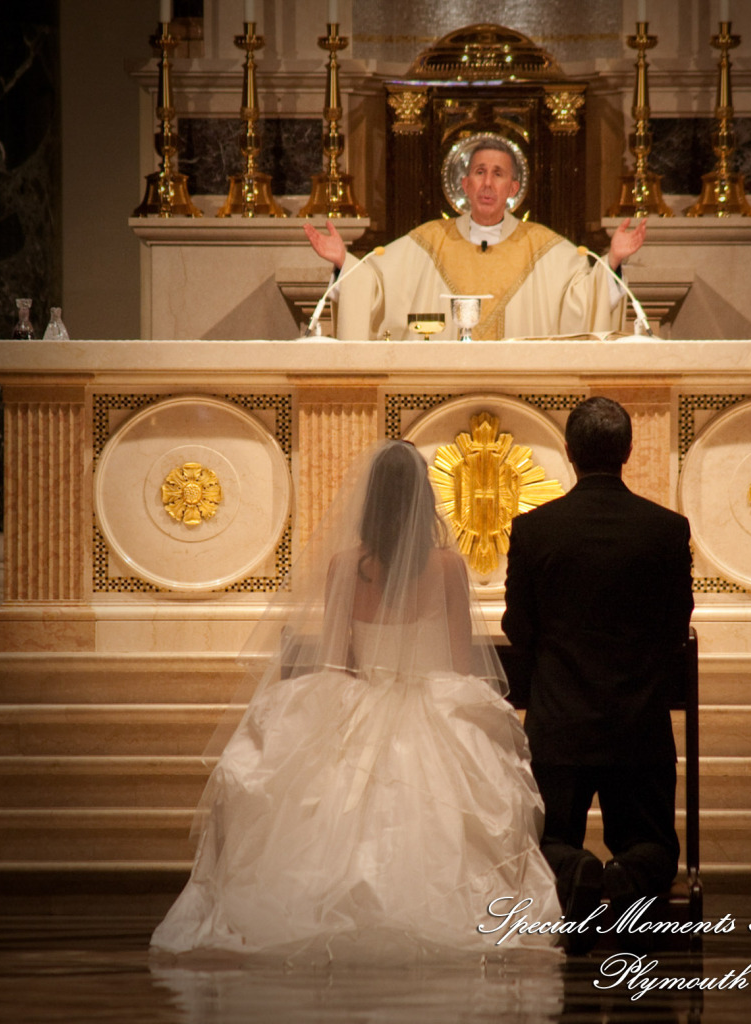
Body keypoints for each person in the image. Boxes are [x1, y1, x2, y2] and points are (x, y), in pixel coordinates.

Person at [151, 440, 562, 963]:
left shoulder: (347, 565)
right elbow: (463, 668)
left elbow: (338, 663)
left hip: (359, 697)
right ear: (423, 498)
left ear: (370, 500)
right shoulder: (448, 568)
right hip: (435, 706)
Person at [502, 397, 694, 951]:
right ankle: (627, 877)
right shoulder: (666, 530)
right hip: (638, 725)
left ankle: (578, 870)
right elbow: (673, 628)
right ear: (628, 451)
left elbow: (520, 627)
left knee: (546, 841)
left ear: (569, 453)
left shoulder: (535, 530)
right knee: (656, 844)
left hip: (560, 724)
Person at [303, 139, 647, 340]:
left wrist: (613, 260)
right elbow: (373, 285)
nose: (487, 184)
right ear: (465, 185)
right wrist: (342, 262)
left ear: (514, 190)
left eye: (498, 175)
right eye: (480, 173)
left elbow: (586, 299)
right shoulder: (429, 240)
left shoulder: (544, 246)